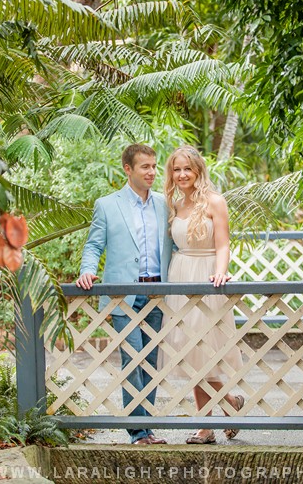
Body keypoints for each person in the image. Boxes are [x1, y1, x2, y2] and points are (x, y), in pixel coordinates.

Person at [75, 143, 173, 445]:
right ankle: (138, 432)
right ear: (127, 169)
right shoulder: (107, 205)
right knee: (132, 360)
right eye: (145, 166)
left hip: (157, 292)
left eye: (155, 166)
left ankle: (146, 428)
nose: (152, 172)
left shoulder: (164, 203)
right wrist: (87, 270)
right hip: (124, 295)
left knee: (151, 361)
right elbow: (93, 245)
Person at [163, 145, 245, 444]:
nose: (182, 174)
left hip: (207, 275)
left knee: (205, 351)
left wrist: (221, 272)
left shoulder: (214, 201)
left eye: (187, 168)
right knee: (190, 352)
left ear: (198, 170)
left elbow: (223, 243)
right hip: (180, 275)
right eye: (177, 169)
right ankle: (227, 407)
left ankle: (206, 424)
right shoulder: (173, 204)